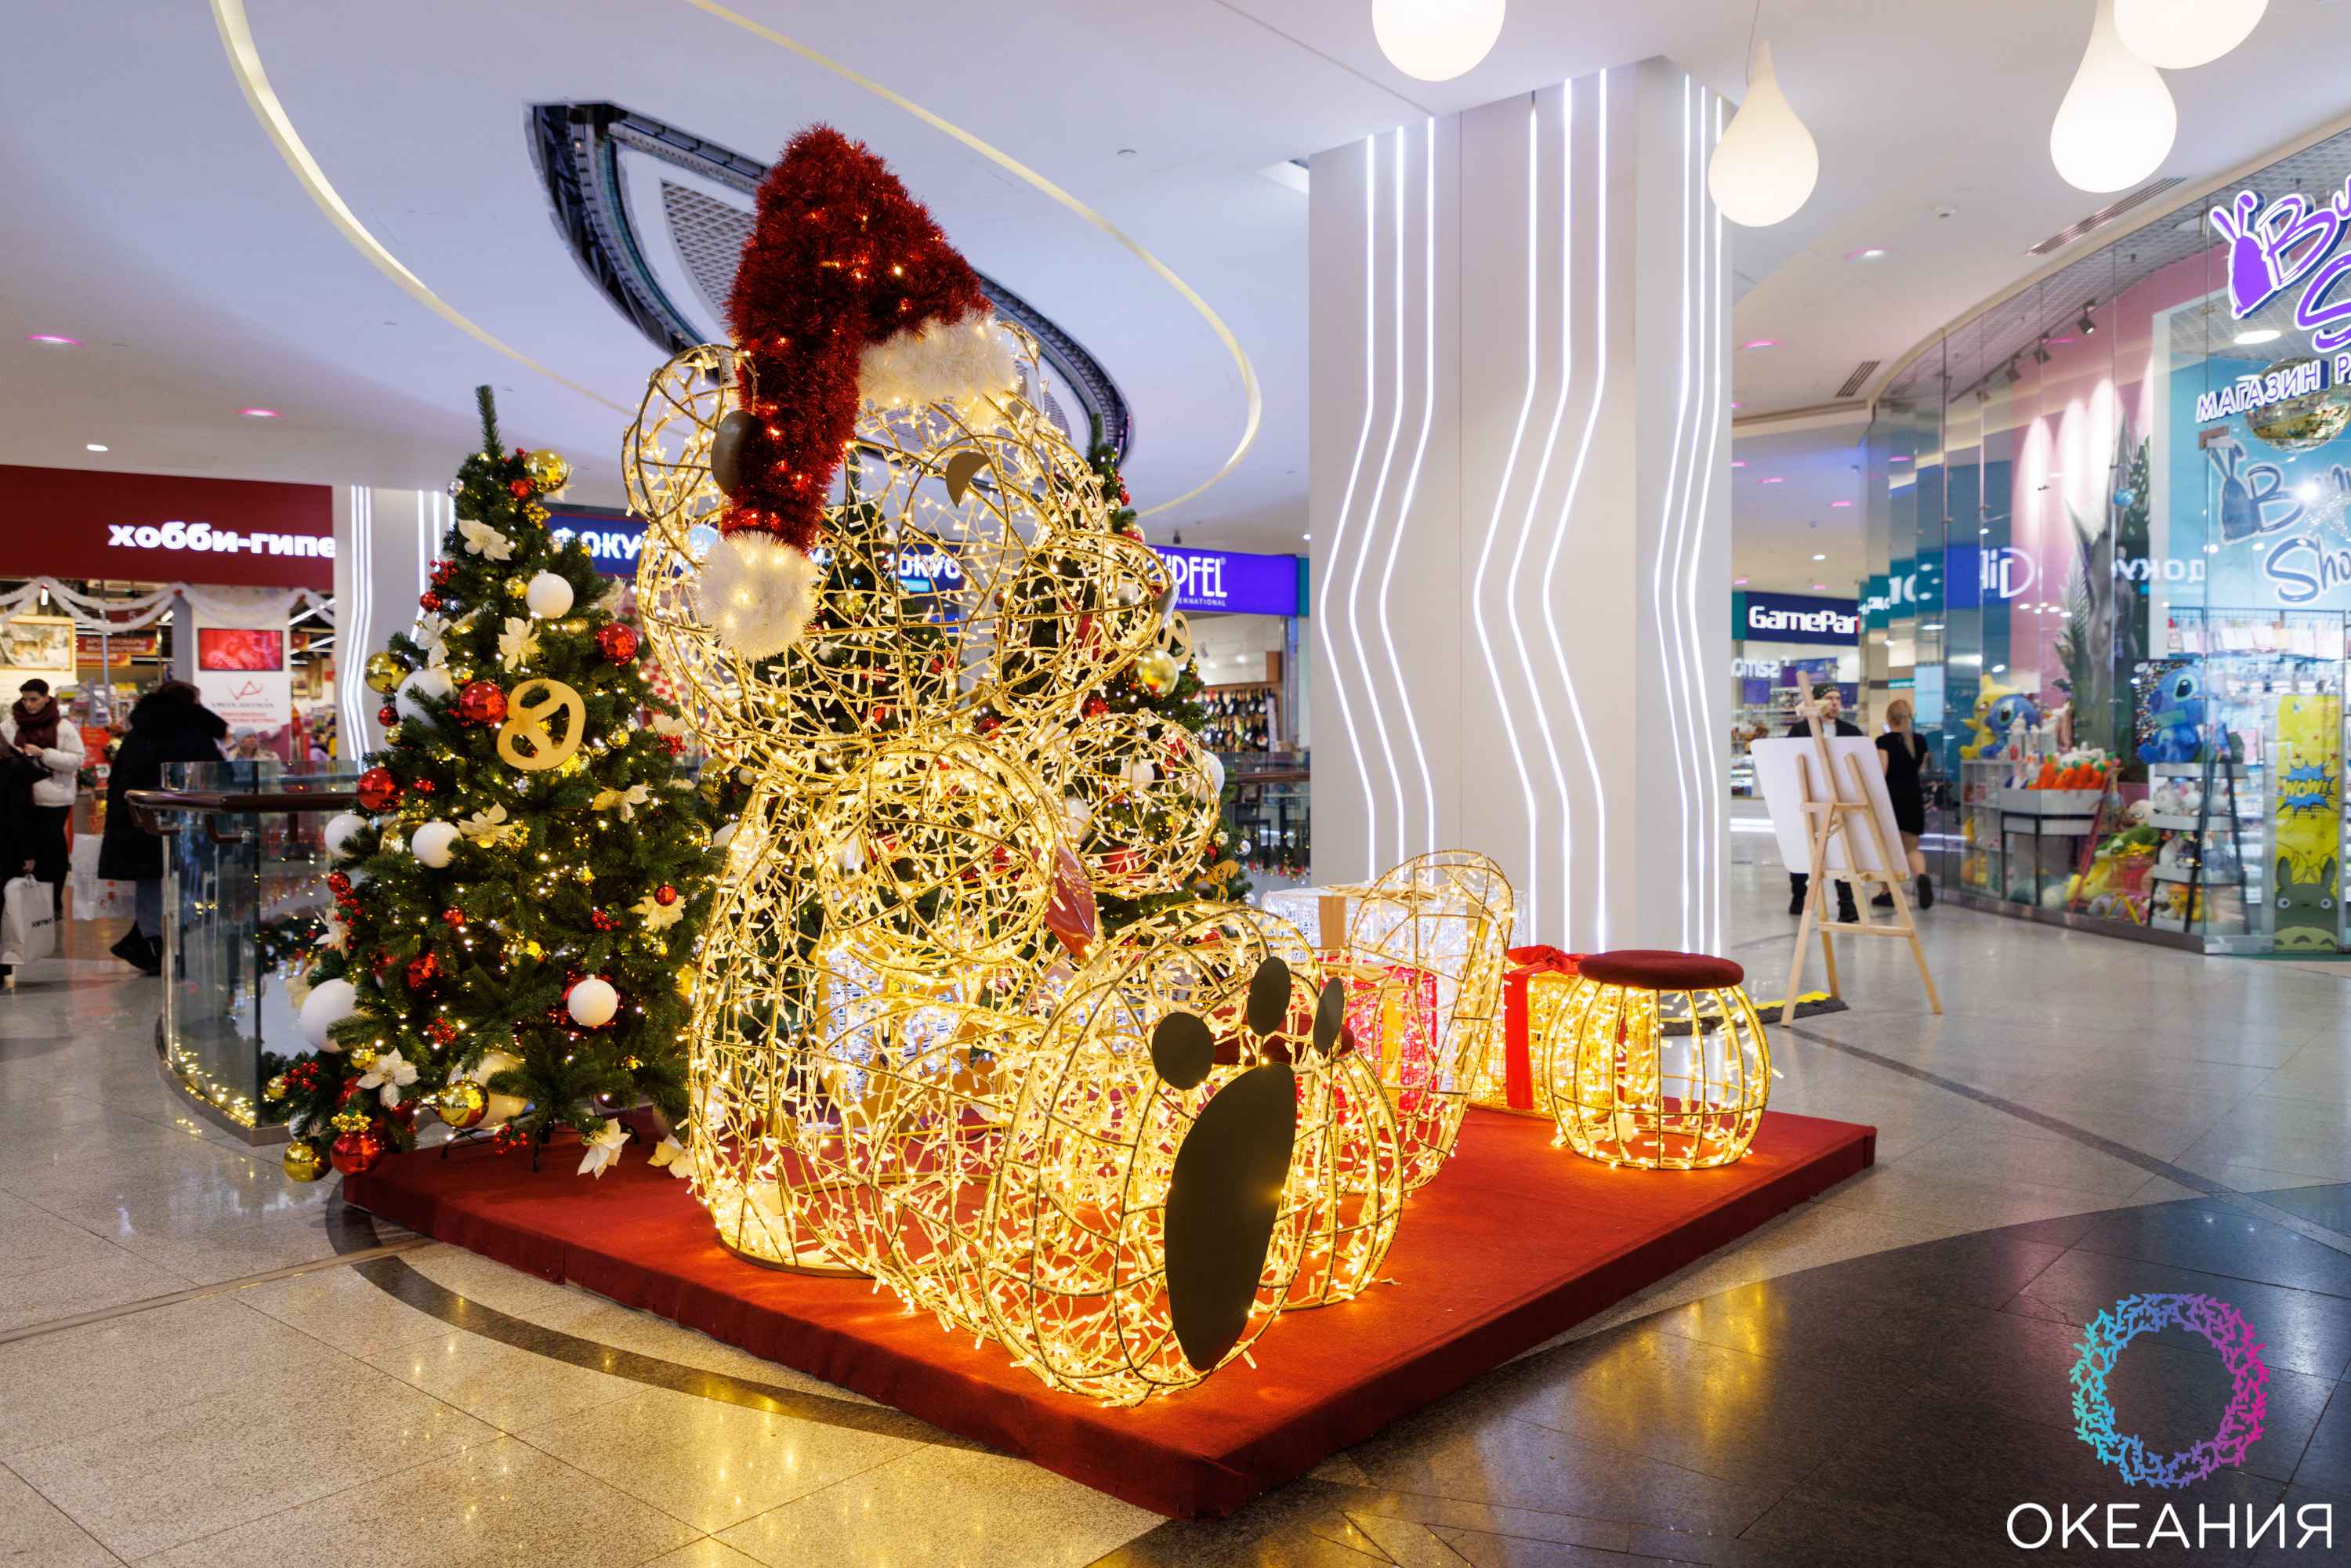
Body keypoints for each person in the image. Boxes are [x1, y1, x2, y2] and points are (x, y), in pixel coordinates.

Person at [96, 682, 228, 976]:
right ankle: (179, 942)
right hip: (190, 822)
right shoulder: (196, 734)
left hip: (143, 821)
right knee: (190, 881)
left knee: (151, 882)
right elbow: (217, 776)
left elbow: (121, 782)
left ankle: (152, 942)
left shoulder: (139, 734)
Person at [1, 679, 84, 914]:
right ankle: (26, 906)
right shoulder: (10, 725)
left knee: (52, 852)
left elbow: (77, 760)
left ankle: (53, 903)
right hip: (19, 800)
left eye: (34, 699)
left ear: (46, 698)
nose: (29, 704)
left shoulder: (63, 727)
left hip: (54, 800)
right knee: (23, 852)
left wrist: (44, 754)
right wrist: (14, 755)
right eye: (25, 699)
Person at [1786, 684, 1861, 924]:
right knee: (1803, 847)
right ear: (1817, 702)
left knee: (1844, 850)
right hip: (1807, 798)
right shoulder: (1800, 730)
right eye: (1830, 698)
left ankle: (1847, 905)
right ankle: (1799, 897)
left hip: (1841, 799)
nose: (1835, 703)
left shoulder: (1851, 731)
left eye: (1838, 698)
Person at [1875, 697, 1933, 910]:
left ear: (1889, 718)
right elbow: (1919, 768)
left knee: (1886, 848)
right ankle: (1922, 877)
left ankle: (1887, 892)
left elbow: (1882, 770)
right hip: (1913, 797)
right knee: (1912, 848)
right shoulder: (1920, 741)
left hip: (1890, 798)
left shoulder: (1884, 741)